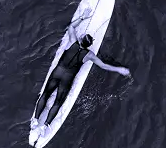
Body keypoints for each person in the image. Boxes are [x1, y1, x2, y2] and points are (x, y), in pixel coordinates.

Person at [30, 11, 131, 140]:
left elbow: (71, 27)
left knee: (45, 95)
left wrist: (83, 17)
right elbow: (104, 65)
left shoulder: (73, 41)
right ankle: (45, 126)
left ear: (81, 39)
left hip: (57, 72)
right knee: (57, 103)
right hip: (67, 78)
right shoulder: (89, 55)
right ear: (89, 44)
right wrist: (119, 69)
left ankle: (35, 121)